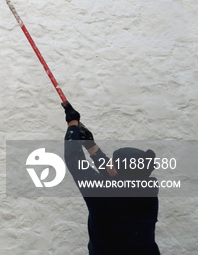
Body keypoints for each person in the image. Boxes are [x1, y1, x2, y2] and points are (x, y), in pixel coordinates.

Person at [62, 101, 160, 254]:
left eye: (113, 163)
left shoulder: (105, 191)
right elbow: (113, 172)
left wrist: (72, 124)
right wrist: (91, 146)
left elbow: (74, 160)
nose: (109, 164)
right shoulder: (147, 190)